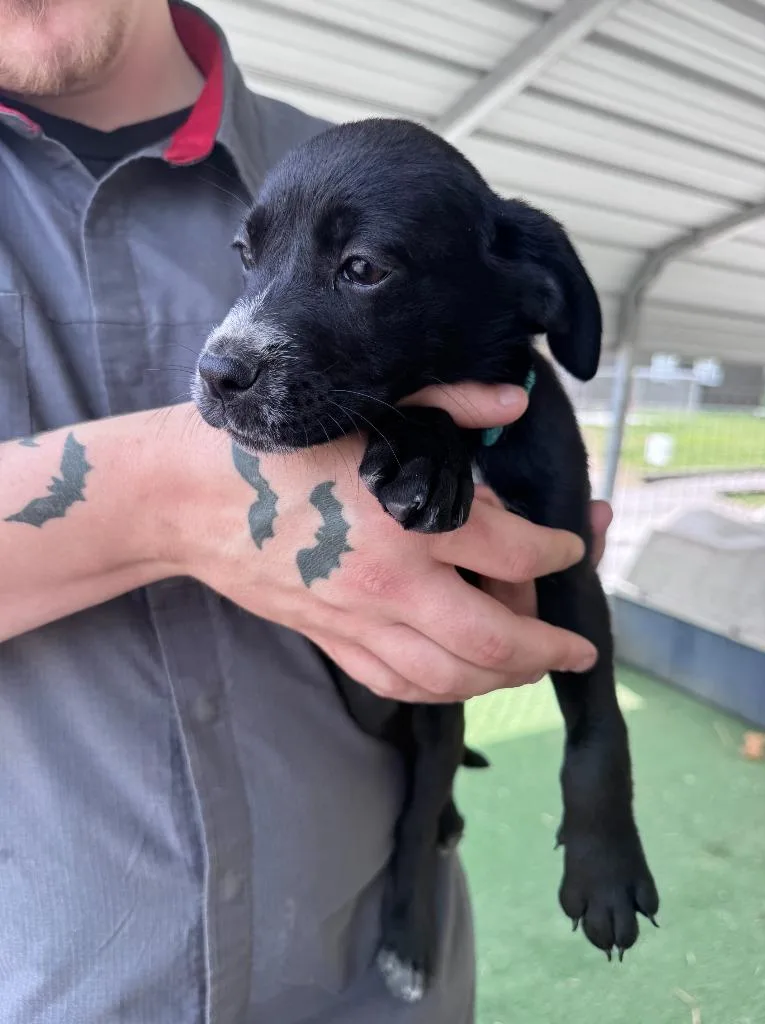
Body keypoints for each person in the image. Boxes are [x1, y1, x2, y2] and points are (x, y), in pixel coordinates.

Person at [0, 2, 612, 1021]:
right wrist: (166, 498)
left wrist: (501, 521)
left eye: (360, 268)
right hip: (51, 974)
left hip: (370, 960)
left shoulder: (340, 168)